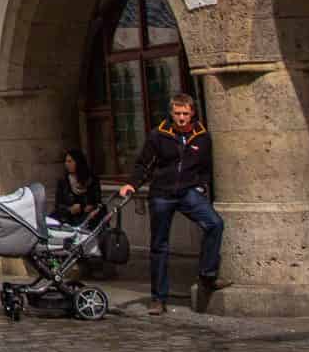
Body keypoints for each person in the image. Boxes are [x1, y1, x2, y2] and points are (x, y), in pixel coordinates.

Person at [120, 93, 227, 315]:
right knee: (160, 245)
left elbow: (206, 167)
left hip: (188, 191)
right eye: (177, 113)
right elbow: (143, 164)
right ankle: (158, 298)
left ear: (192, 114)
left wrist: (201, 187)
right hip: (162, 193)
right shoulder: (159, 135)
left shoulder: (201, 136)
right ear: (171, 114)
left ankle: (207, 275)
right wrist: (132, 184)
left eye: (185, 114)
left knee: (214, 223)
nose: (181, 118)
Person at [53, 148, 102, 225]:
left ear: (78, 162)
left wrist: (90, 207)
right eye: (66, 161)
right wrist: (70, 209)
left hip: (89, 219)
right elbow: (58, 205)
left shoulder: (92, 180)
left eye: (70, 161)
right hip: (69, 219)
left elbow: (98, 201)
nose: (66, 164)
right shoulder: (63, 182)